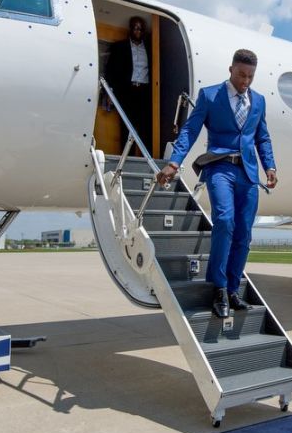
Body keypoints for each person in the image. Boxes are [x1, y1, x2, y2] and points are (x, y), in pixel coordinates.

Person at [158, 49, 278, 319]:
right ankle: (219, 288)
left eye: (250, 76)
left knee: (245, 233)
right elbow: (190, 130)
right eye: (241, 74)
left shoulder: (258, 101)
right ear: (230, 69)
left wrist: (269, 166)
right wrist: (174, 161)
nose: (245, 81)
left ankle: (234, 290)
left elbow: (263, 138)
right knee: (224, 220)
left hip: (247, 173)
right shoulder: (210, 95)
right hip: (220, 167)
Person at [103, 16, 153, 153]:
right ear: (130, 29)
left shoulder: (151, 48)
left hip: (144, 92)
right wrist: (109, 92)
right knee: (126, 126)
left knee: (144, 126)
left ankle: (145, 158)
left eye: (142, 29)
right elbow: (110, 70)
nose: (139, 31)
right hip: (127, 91)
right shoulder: (119, 46)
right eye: (136, 28)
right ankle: (126, 158)